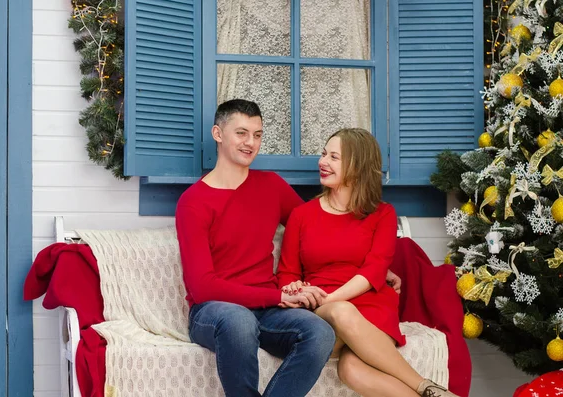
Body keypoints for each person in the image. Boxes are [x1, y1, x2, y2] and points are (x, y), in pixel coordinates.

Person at [175, 100, 402, 397]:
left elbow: (320, 229)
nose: (250, 142)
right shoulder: (193, 202)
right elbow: (203, 287)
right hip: (214, 312)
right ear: (218, 133)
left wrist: (379, 268)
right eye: (241, 133)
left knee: (318, 331)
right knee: (238, 320)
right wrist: (278, 295)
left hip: (267, 311)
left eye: (257, 135)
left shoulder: (271, 186)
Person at [277, 128, 460, 397]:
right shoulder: (301, 215)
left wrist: (334, 298)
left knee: (351, 370)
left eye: (334, 157)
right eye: (323, 154)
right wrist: (298, 290)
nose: (323, 162)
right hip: (322, 309)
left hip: (371, 304)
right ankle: (428, 386)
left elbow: (374, 270)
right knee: (341, 312)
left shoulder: (382, 214)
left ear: (357, 165)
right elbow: (287, 273)